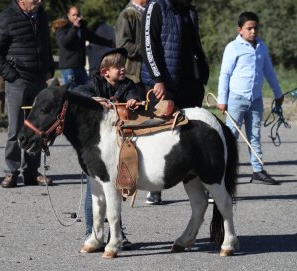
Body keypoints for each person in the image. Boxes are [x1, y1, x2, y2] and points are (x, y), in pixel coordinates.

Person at [73, 48, 145, 249]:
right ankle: (92, 233)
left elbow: (136, 95)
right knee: (93, 192)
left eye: (124, 66)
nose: (123, 69)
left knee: (113, 189)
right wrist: (94, 99)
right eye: (118, 67)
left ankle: (117, 234)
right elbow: (77, 91)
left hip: (117, 142)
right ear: (105, 72)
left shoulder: (127, 84)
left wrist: (134, 100)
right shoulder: (95, 83)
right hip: (96, 143)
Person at [140, 0, 209, 204]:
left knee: (193, 135)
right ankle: (155, 187)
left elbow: (195, 43)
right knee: (159, 135)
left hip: (190, 83)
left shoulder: (189, 9)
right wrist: (157, 79)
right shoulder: (156, 6)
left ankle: (201, 184)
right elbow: (148, 45)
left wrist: (202, 73)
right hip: (164, 84)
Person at [0, 0, 55, 188]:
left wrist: (50, 69)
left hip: (39, 80)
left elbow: (46, 44)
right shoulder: (5, 18)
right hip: (18, 81)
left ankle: (32, 172)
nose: (40, 2)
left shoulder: (41, 16)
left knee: (36, 127)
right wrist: (12, 76)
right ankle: (11, 172)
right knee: (15, 128)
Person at [217, 11, 284, 185]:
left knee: (254, 135)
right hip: (236, 99)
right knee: (230, 136)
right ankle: (221, 171)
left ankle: (257, 170)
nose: (253, 32)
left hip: (256, 100)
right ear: (240, 29)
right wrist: (222, 98)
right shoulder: (233, 47)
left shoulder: (262, 47)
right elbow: (225, 74)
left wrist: (278, 93)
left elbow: (269, 72)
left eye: (256, 28)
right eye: (249, 28)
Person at [56, 6, 113, 88]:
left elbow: (94, 38)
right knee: (70, 94)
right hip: (68, 68)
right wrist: (74, 28)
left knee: (86, 92)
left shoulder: (82, 27)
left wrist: (110, 43)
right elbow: (65, 42)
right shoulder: (62, 27)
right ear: (68, 15)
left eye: (78, 15)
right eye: (74, 15)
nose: (76, 17)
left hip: (80, 67)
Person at [115, 0, 149, 95]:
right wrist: (148, 49)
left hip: (149, 75)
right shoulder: (127, 14)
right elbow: (122, 46)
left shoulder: (149, 11)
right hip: (135, 77)